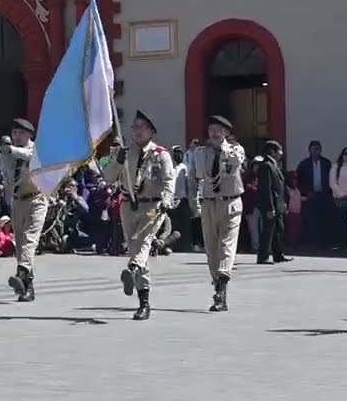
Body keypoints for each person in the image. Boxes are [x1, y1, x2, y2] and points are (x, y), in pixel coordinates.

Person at [103, 110, 174, 321]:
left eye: (141, 127)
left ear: (151, 131)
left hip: (153, 206)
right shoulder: (126, 153)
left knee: (144, 241)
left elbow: (169, 181)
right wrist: (117, 161)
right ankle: (144, 302)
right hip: (128, 205)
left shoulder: (161, 154)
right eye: (134, 127)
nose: (137, 131)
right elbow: (108, 178)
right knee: (135, 247)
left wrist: (167, 201)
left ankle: (132, 268)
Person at [187, 115, 245, 311]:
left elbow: (235, 161)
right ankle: (218, 286)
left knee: (226, 246)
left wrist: (223, 149)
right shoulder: (201, 152)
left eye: (218, 129)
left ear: (226, 133)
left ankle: (221, 290)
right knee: (211, 250)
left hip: (230, 202)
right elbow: (197, 176)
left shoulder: (236, 149)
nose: (214, 132)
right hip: (209, 204)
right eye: (211, 129)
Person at [0, 118, 46, 302]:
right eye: (14, 133)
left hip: (37, 199)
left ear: (29, 135)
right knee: (19, 244)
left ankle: (21, 273)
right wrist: (5, 154)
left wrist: (11, 150)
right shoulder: (9, 153)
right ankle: (27, 285)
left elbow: (31, 157)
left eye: (21, 133)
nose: (17, 136)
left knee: (29, 240)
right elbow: (8, 174)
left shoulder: (36, 149)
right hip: (18, 201)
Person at [255, 140, 290, 265]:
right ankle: (263, 256)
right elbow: (266, 188)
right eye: (279, 150)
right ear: (272, 151)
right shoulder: (266, 165)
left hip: (277, 202)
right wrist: (269, 207)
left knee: (278, 229)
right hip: (270, 203)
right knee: (268, 230)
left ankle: (278, 254)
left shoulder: (274, 164)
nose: (281, 153)